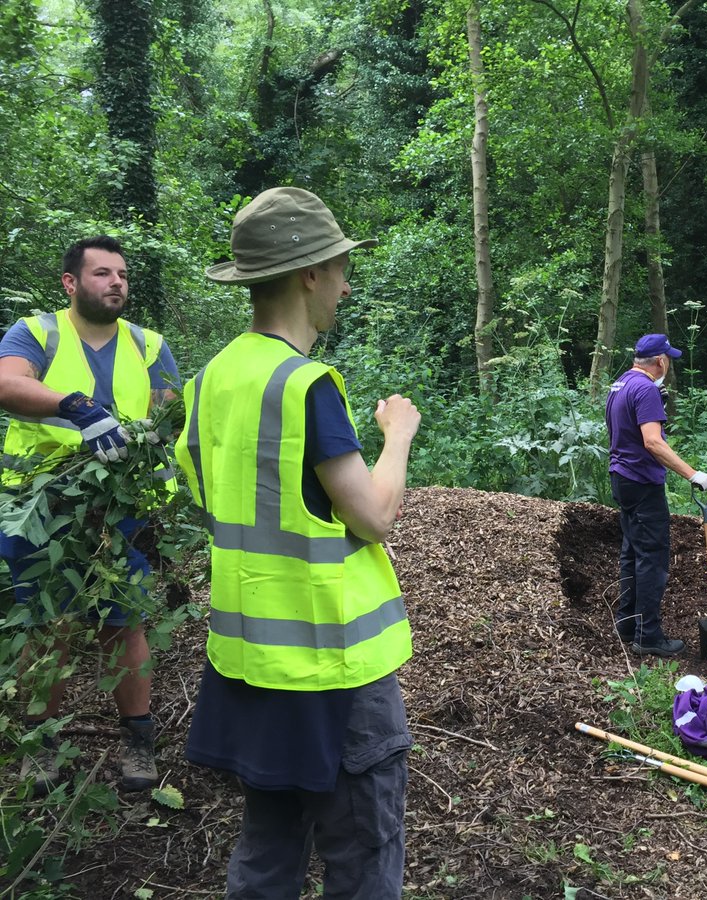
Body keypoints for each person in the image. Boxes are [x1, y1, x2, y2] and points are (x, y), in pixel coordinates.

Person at [175, 187, 421, 898]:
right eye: (341, 267)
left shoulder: (212, 379)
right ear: (310, 273)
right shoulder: (305, 386)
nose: (346, 284)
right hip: (333, 667)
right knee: (365, 854)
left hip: (251, 663)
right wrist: (397, 435)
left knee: (268, 846)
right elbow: (373, 515)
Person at [0, 236, 179, 794]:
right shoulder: (37, 333)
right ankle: (41, 745)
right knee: (44, 627)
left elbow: (167, 410)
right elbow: (7, 383)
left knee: (123, 624)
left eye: (122, 274)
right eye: (102, 273)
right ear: (71, 283)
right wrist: (72, 405)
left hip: (120, 510)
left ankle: (138, 741)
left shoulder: (149, 345)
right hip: (43, 509)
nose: (116, 282)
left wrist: (148, 442)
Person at [605, 333, 707, 657]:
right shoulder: (646, 389)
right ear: (660, 361)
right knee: (652, 559)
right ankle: (649, 636)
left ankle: (628, 624)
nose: (668, 362)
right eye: (667, 358)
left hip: (621, 479)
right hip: (641, 483)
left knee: (632, 554)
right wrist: (693, 475)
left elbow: (620, 430)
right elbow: (653, 442)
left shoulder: (621, 384)